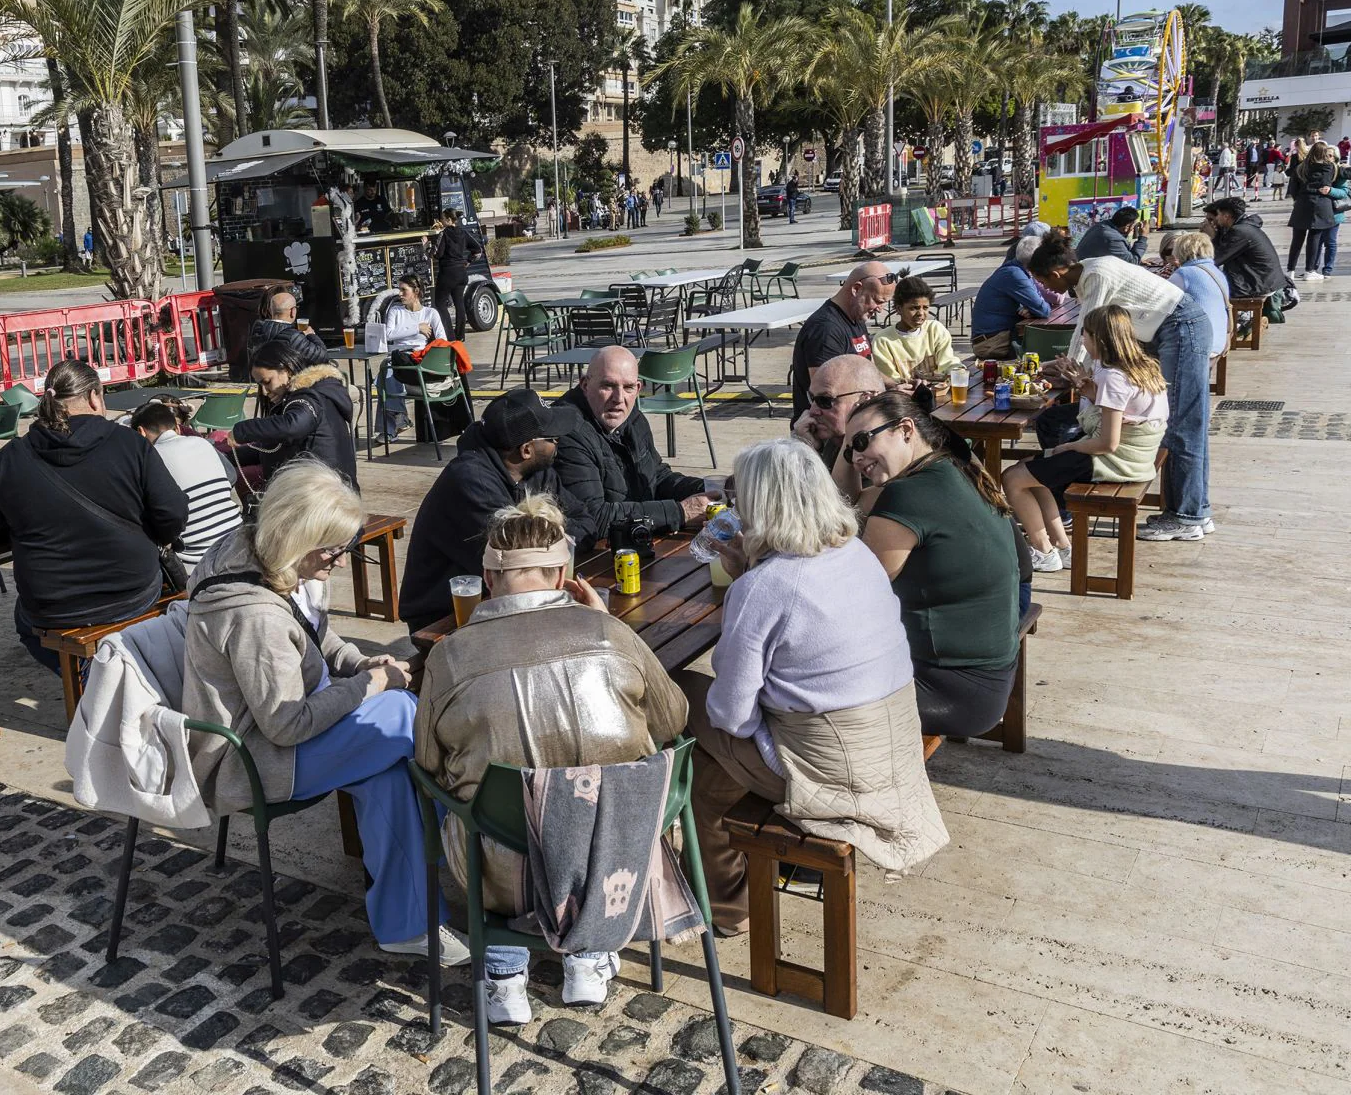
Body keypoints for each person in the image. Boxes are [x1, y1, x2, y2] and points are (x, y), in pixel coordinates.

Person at [182, 461, 468, 964]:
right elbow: (286, 723)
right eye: (333, 550)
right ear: (299, 539)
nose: (339, 561)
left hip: (282, 734)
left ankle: (409, 922)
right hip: (252, 760)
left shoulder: (260, 552)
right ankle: (472, 839)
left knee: (392, 777)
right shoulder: (253, 617)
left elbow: (311, 630)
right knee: (407, 714)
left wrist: (359, 661)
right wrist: (371, 682)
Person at [414, 496, 687, 1023]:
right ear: (562, 573)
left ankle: (503, 976)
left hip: (498, 861)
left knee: (469, 810)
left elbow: (428, 762)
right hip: (612, 853)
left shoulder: (448, 655)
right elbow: (672, 720)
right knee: (585, 809)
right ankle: (586, 957)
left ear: (488, 579)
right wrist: (608, 628)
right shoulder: (612, 634)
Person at [686, 437, 949, 934]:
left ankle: (713, 896)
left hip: (830, 775)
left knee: (679, 694)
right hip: (888, 752)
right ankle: (726, 902)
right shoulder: (856, 554)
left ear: (763, 505)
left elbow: (731, 716)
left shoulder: (765, 586)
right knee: (709, 767)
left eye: (739, 496)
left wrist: (747, 586)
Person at [0, 359, 188, 670]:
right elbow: (173, 514)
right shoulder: (130, 444)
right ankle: (105, 678)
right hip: (132, 592)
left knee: (25, 623)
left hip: (53, 606)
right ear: (95, 397)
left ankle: (89, 678)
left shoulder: (11, 457)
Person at [845, 393, 1022, 737]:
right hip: (986, 679)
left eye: (863, 442)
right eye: (849, 449)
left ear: (906, 429)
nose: (855, 457)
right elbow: (850, 504)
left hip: (946, 689)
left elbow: (853, 596)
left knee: (791, 700)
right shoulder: (954, 468)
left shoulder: (908, 495)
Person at [1035, 251, 1212, 541]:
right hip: (1170, 328)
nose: (1046, 290)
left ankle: (1186, 516)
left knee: (1182, 427)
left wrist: (1070, 369)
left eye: (1043, 282)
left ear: (1055, 273)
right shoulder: (1088, 270)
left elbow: (1088, 329)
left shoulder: (1096, 274)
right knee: (1187, 425)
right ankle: (1196, 511)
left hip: (1179, 327)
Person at [398, 389, 586, 631]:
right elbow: (518, 560)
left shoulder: (537, 471)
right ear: (526, 449)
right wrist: (558, 540)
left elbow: (583, 518)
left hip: (502, 597)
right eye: (552, 438)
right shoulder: (470, 482)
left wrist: (553, 541)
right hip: (444, 615)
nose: (558, 442)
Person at [1002, 305, 1168, 569]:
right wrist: (1083, 385)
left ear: (1100, 340)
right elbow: (1117, 411)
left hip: (1115, 461)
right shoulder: (1143, 366)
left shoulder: (1115, 377)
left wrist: (1069, 446)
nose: (1082, 340)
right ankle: (1061, 547)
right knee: (1028, 472)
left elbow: (1107, 442)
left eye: (1086, 336)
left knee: (1012, 478)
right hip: (1133, 456)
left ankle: (1042, 551)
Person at [553, 345, 708, 540]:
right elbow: (593, 518)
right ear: (585, 385)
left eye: (628, 387)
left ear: (638, 388)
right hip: (596, 556)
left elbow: (656, 477)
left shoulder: (632, 417)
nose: (618, 398)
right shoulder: (568, 431)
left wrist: (710, 488)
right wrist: (680, 512)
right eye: (607, 386)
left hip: (636, 540)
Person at [130, 400, 245, 568]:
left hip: (197, 563)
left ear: (141, 433)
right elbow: (231, 476)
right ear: (176, 428)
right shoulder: (202, 443)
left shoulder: (149, 459)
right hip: (237, 539)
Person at [231, 338, 357, 489]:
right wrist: (226, 455)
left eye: (267, 381)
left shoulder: (309, 397)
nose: (264, 391)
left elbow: (293, 426)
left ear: (287, 370)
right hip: (331, 490)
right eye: (260, 385)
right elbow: (272, 446)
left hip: (323, 497)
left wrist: (242, 431)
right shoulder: (319, 393)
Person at [788, 261, 895, 420]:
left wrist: (896, 385)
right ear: (856, 289)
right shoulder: (825, 330)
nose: (881, 309)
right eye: (878, 301)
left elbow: (869, 370)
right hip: (823, 430)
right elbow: (826, 395)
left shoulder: (856, 318)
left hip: (850, 420)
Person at [790, 352, 890, 500]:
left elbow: (839, 511)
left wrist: (807, 454)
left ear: (866, 400)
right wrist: (804, 449)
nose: (813, 411)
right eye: (812, 398)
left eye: (825, 400)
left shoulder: (880, 451)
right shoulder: (831, 438)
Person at [973, 237, 1072, 360]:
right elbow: (1043, 309)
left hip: (997, 337)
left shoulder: (1016, 270)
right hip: (991, 343)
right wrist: (1033, 308)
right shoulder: (1014, 275)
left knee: (1044, 348)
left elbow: (1040, 304)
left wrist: (1030, 308)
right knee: (1046, 350)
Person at [375, 276, 447, 441]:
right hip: (397, 357)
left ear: (416, 292)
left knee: (384, 375)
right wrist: (417, 328)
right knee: (386, 370)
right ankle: (399, 418)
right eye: (399, 289)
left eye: (403, 290)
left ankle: (390, 429)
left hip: (417, 361)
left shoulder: (430, 313)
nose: (400, 294)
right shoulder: (395, 311)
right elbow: (387, 335)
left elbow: (442, 340)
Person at [872, 275, 961, 384]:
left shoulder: (935, 330)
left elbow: (947, 362)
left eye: (926, 308)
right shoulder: (883, 340)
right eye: (914, 308)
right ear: (899, 309)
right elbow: (891, 380)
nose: (921, 313)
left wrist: (957, 370)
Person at [1201, 197, 1290, 301]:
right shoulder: (1241, 227)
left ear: (1226, 216)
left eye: (1212, 219)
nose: (1210, 223)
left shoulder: (1239, 231)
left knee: (1207, 293)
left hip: (1259, 285)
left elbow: (1214, 259)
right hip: (1260, 280)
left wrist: (1211, 237)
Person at [1160, 232, 1231, 358]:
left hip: (1199, 344)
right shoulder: (1216, 271)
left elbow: (1161, 304)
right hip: (1219, 341)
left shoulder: (1184, 274)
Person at [1287, 141, 1338, 280]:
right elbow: (1328, 183)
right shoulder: (1329, 167)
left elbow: (1293, 187)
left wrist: (1297, 198)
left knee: (1297, 239)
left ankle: (1290, 270)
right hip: (1320, 205)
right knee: (1314, 238)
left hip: (1302, 203)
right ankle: (1309, 270)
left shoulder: (1301, 167)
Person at [432, 209, 485, 340]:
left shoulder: (444, 234)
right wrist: (468, 261)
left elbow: (437, 254)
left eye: (443, 219)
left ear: (449, 220)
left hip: (448, 273)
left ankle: (449, 335)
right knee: (459, 303)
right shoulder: (463, 233)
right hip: (461, 273)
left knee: (440, 303)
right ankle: (460, 335)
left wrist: (426, 245)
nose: (441, 221)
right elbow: (478, 250)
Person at [247, 288, 327, 364]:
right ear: (292, 311)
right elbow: (322, 357)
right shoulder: (293, 336)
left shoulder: (258, 329)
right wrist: (311, 335)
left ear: (271, 310)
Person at [1075, 205, 1146, 264]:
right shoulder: (1112, 238)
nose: (1133, 229)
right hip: (1088, 272)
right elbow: (1132, 262)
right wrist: (1143, 237)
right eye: (1134, 226)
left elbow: (1125, 255)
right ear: (1127, 226)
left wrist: (1136, 258)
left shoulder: (1102, 225)